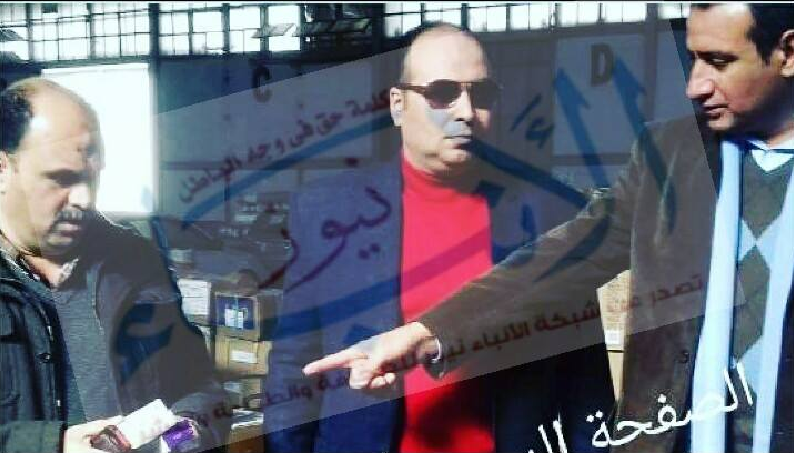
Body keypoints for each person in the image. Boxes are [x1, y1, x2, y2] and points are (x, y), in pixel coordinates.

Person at [305, 4, 794, 453]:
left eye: (719, 61)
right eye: (693, 59)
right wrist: (427, 333)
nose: (695, 85)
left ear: (788, 53)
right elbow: (560, 263)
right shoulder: (670, 156)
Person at [263, 23, 614, 453]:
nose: (466, 111)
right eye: (442, 93)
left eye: (481, 94)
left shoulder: (550, 215)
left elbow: (586, 378)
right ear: (398, 105)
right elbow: (293, 365)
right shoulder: (328, 212)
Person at [0, 78, 230, 453]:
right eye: (61, 178)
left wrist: (181, 438)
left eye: (91, 177)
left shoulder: (136, 261)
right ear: (2, 168)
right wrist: (50, 446)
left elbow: (200, 387)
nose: (84, 198)